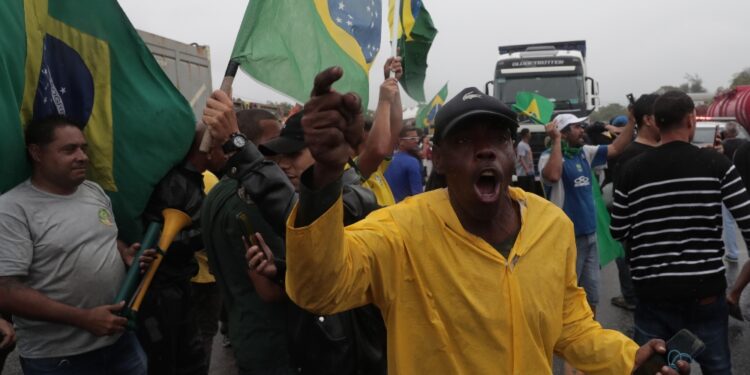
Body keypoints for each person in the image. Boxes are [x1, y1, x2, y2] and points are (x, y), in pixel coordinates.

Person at [257, 67, 687, 374]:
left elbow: (570, 325)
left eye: (497, 139)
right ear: (438, 159)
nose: (485, 152)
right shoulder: (400, 231)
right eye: (464, 140)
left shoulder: (550, 226)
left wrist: (629, 360)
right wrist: (325, 179)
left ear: (511, 155)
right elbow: (317, 290)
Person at [202, 95, 386, 374]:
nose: (285, 164)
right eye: (280, 155)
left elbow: (302, 219)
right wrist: (280, 269)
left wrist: (237, 145)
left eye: (295, 154)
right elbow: (317, 269)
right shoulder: (239, 196)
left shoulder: (354, 203)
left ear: (330, 153)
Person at [0, 115, 154, 375]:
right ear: (36, 152)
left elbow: (104, 235)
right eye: (69, 149)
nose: (82, 156)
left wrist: (123, 252)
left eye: (84, 148)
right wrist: (85, 319)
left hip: (120, 342)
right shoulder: (12, 209)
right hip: (60, 359)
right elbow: (7, 290)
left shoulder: (94, 191)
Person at [610, 90, 750, 374]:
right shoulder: (717, 164)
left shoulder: (631, 170)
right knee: (718, 368)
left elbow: (618, 230)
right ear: (690, 120)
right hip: (706, 294)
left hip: (652, 294)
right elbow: (747, 222)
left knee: (653, 369)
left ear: (656, 123)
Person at [201, 109, 294, 375]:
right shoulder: (251, 199)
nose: (281, 152)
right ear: (248, 143)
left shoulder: (221, 188)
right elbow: (270, 288)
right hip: (271, 340)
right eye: (274, 143)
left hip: (245, 328)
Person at [135, 123, 226, 375]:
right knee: (168, 360)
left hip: (179, 284)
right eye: (222, 148)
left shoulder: (191, 180)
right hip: (163, 291)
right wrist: (206, 235)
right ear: (207, 150)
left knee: (190, 357)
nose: (227, 154)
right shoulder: (174, 184)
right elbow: (157, 241)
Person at [538, 112, 634, 313]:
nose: (583, 130)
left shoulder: (584, 152)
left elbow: (616, 148)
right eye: (576, 127)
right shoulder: (549, 156)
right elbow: (553, 175)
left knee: (592, 296)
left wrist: (632, 121)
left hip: (590, 235)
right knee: (569, 296)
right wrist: (556, 141)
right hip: (568, 238)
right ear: (562, 133)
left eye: (582, 126)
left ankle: (590, 336)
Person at [609, 94, 661, 311]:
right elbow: (620, 222)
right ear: (648, 120)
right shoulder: (630, 157)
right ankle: (631, 297)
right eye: (663, 115)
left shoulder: (666, 151)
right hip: (644, 255)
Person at [720, 121, 747, 263]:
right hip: (746, 187)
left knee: (729, 222)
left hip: (730, 187)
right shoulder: (745, 144)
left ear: (727, 133)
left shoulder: (723, 145)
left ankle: (733, 253)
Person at [384, 125, 424, 202]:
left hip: (389, 207)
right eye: (412, 138)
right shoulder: (412, 162)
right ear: (400, 141)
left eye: (417, 138)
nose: (416, 141)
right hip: (406, 209)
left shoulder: (387, 160)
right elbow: (418, 195)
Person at [515, 128, 535, 192]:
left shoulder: (526, 144)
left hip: (529, 173)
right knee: (525, 192)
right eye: (529, 133)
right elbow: (521, 158)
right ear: (526, 134)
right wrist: (527, 170)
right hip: (523, 174)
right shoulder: (521, 145)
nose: (530, 134)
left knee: (531, 191)